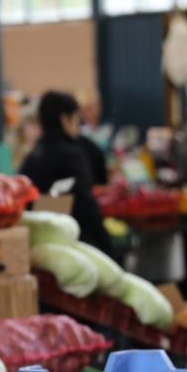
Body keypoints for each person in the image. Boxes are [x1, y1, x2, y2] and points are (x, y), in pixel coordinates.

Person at [18, 90, 114, 257]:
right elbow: (86, 205)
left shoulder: (32, 156)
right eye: (76, 119)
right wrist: (109, 248)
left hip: (41, 246)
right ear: (65, 119)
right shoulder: (72, 156)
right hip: (77, 243)